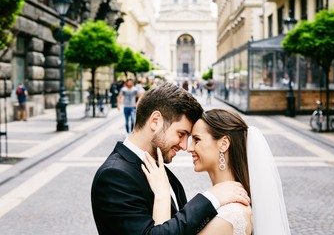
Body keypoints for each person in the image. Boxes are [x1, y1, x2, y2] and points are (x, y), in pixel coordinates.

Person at [91, 83, 250, 235]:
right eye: (181, 134)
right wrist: (211, 197)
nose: (184, 146)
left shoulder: (158, 168)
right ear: (155, 121)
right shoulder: (114, 176)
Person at [143, 109, 291, 235]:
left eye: (197, 139)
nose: (189, 148)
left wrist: (161, 195)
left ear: (224, 144)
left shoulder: (230, 216)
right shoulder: (224, 203)